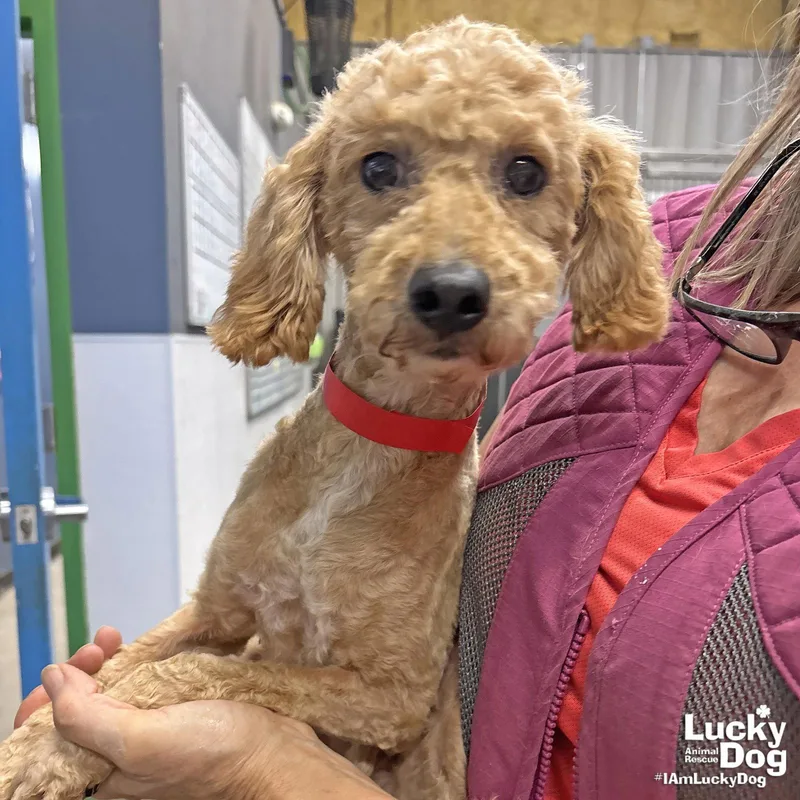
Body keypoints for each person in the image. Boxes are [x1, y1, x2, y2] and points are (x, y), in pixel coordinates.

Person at [16, 9, 800, 798]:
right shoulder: (696, 246)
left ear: (584, 218)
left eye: (523, 176)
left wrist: (223, 734)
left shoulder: (637, 271)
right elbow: (210, 625)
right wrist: (87, 711)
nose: (450, 268)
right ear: (312, 204)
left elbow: (392, 705)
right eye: (383, 170)